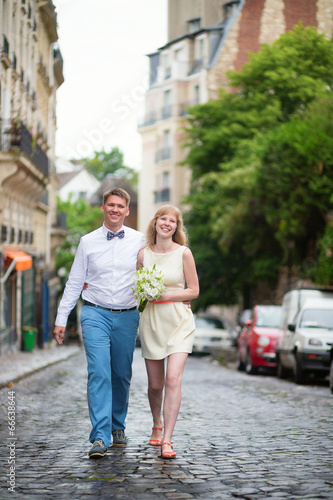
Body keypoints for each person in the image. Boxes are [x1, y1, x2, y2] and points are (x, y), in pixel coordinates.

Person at [53, 188, 145, 458]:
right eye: (111, 205)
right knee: (99, 373)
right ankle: (100, 436)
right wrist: (61, 319)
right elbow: (73, 282)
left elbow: (155, 272)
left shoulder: (140, 240)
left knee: (121, 373)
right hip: (95, 313)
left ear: (127, 211)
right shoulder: (87, 241)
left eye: (120, 206)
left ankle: (118, 425)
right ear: (103, 208)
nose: (115, 209)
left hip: (128, 315)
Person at [137, 205, 199, 459]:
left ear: (176, 226)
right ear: (155, 223)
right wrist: (146, 295)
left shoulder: (184, 253)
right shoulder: (142, 255)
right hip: (151, 322)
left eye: (172, 221)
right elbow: (139, 290)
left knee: (173, 378)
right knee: (155, 384)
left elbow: (193, 291)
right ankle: (156, 422)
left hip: (179, 322)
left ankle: (167, 440)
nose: (167, 224)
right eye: (163, 219)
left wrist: (166, 296)